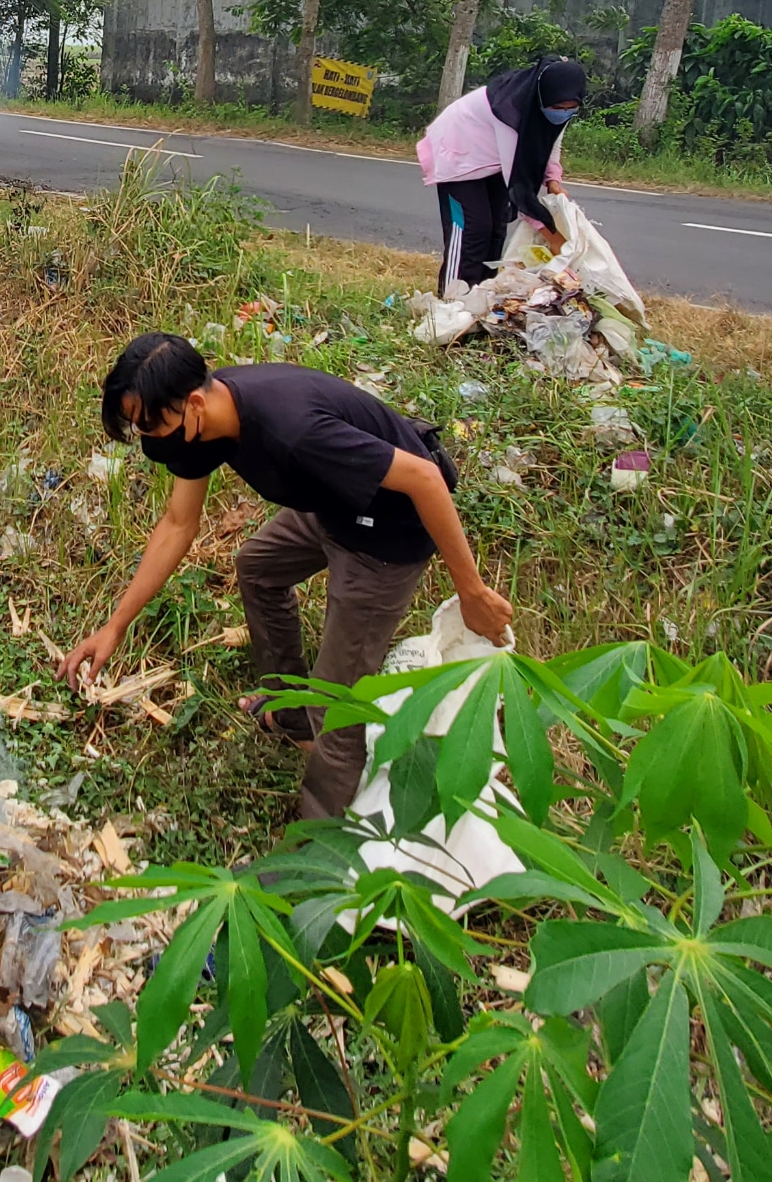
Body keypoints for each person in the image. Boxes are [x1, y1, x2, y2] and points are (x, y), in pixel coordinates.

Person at [58, 334, 515, 822]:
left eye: (149, 424)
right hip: (331, 505)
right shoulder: (200, 423)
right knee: (258, 568)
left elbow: (426, 478)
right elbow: (177, 524)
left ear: (192, 403)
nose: (147, 437)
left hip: (387, 534)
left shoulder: (292, 429)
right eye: (136, 427)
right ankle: (289, 710)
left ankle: (320, 848)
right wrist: (116, 625)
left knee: (335, 705)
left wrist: (472, 592)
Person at [418, 57, 590, 296]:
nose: (562, 114)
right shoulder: (510, 112)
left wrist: (553, 180)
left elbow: (552, 142)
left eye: (570, 109)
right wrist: (553, 236)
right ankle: (451, 300)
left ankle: (481, 296)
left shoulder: (546, 103)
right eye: (557, 109)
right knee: (473, 230)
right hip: (458, 151)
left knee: (496, 229)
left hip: (491, 156)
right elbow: (518, 188)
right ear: (543, 98)